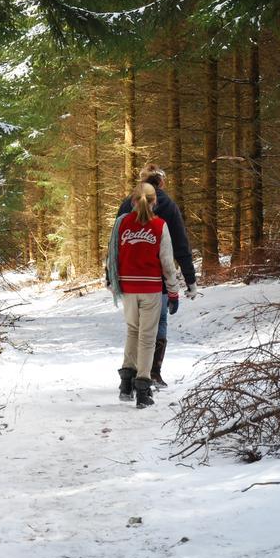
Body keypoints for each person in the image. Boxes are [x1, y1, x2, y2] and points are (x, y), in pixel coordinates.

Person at [116, 164, 197, 387]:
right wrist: (189, 280)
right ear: (161, 182)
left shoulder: (127, 202)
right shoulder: (168, 206)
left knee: (134, 327)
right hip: (157, 280)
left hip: (129, 279)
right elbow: (180, 245)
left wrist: (113, 277)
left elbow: (115, 245)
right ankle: (151, 372)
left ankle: (130, 375)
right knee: (156, 325)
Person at [106, 182, 181, 408]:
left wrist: (112, 281)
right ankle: (143, 388)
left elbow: (113, 256)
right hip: (150, 290)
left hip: (128, 288)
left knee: (132, 331)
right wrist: (173, 291)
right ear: (154, 201)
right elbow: (167, 263)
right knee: (147, 337)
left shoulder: (122, 224)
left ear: (133, 200)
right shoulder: (160, 225)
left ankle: (126, 383)